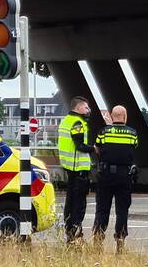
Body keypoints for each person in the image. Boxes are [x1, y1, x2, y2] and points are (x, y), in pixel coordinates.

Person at [92, 105, 138, 253]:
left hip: (105, 175)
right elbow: (134, 148)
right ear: (125, 116)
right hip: (124, 176)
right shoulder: (132, 134)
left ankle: (98, 241)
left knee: (102, 209)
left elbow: (97, 148)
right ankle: (120, 241)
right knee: (122, 210)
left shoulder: (104, 132)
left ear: (112, 116)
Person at [57, 96, 95, 243]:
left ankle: (69, 231)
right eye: (86, 107)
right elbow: (80, 145)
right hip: (78, 167)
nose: (88, 110)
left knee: (70, 201)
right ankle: (75, 232)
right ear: (78, 108)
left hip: (69, 168)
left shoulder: (66, 121)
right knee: (79, 204)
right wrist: (95, 149)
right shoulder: (77, 123)